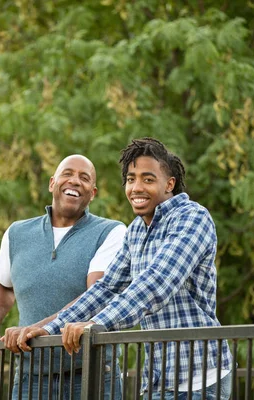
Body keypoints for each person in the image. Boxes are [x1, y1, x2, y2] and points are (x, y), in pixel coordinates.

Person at [20, 138, 233, 400]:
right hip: (156, 378)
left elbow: (157, 283)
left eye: (147, 179)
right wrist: (54, 327)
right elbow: (107, 288)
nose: (136, 187)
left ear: (169, 184)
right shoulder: (136, 231)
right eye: (131, 179)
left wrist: (96, 324)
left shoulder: (192, 218)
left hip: (198, 377)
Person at [0, 154, 126, 400]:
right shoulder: (17, 233)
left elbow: (96, 296)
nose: (75, 181)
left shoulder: (112, 232)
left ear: (93, 193)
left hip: (91, 373)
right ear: (52, 183)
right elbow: (3, 286)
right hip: (31, 376)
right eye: (68, 174)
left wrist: (36, 329)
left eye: (84, 178)